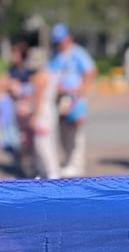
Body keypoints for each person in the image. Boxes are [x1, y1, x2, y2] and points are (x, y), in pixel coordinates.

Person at [48, 23, 96, 177]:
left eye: (61, 40)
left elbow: (90, 70)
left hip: (74, 99)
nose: (59, 43)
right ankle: (68, 160)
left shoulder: (77, 52)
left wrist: (80, 89)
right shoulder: (55, 54)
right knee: (63, 131)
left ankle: (76, 164)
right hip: (60, 98)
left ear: (69, 37)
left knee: (75, 132)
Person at [0, 40, 34, 177]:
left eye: (15, 53)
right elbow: (0, 85)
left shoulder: (30, 70)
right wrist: (10, 85)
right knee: (15, 137)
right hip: (14, 110)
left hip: (28, 109)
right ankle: (20, 164)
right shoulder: (11, 70)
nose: (13, 56)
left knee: (28, 138)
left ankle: (30, 163)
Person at [27, 47, 61, 179]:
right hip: (49, 111)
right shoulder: (48, 74)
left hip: (44, 113)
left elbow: (39, 99)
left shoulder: (40, 77)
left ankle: (52, 172)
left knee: (43, 144)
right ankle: (45, 171)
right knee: (45, 142)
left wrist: (35, 116)